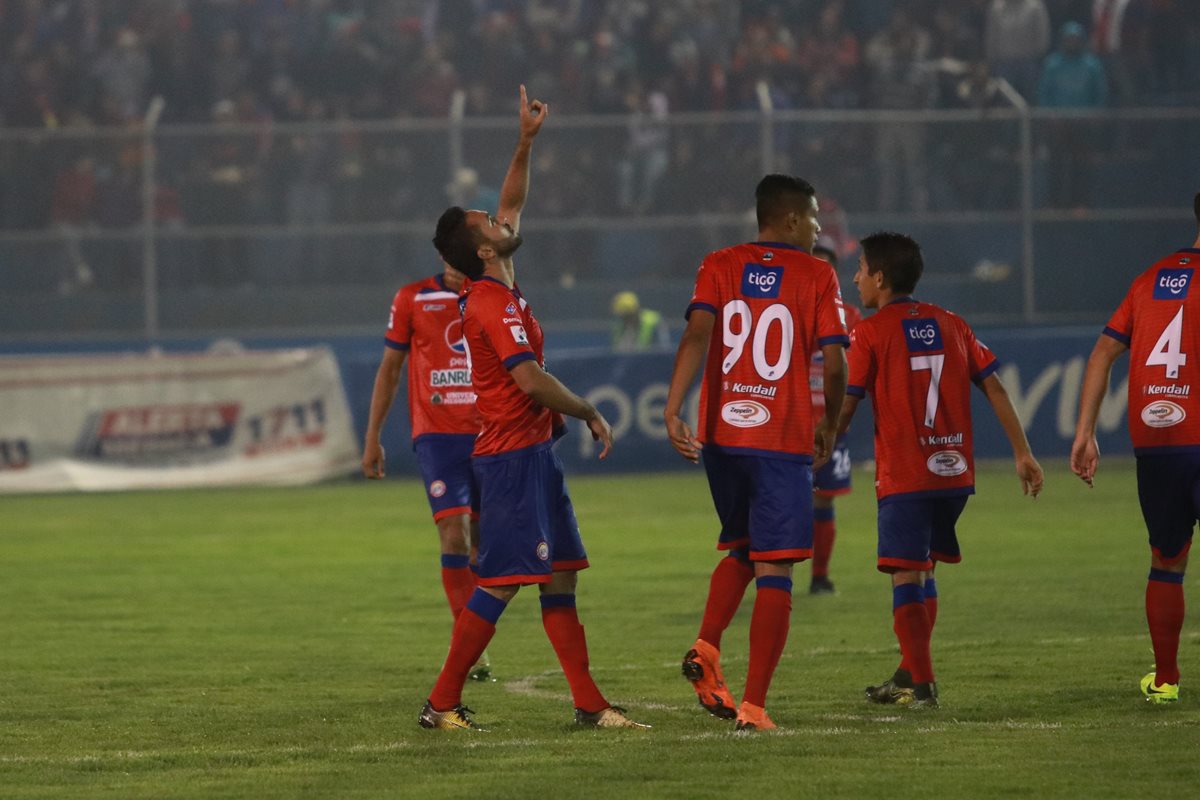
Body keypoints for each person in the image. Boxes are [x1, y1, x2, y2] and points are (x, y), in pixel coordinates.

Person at [418, 85, 647, 731]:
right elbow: (528, 379)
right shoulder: (491, 302)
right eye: (488, 221)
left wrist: (524, 142)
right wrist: (588, 410)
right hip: (512, 459)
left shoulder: (500, 278)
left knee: (562, 578)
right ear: (485, 249)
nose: (500, 215)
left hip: (533, 457)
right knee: (502, 582)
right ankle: (440, 703)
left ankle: (589, 705)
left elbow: (514, 199)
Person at [664, 174, 850, 731]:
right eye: (815, 217)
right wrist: (832, 424)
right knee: (777, 567)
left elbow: (696, 334)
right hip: (779, 438)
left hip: (722, 436)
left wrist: (674, 409)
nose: (819, 227)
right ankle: (754, 707)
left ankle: (707, 648)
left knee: (743, 548)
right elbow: (837, 363)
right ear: (791, 220)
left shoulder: (717, 263)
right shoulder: (817, 272)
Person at [835, 231, 1043, 709]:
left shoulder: (869, 332)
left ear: (881, 278)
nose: (856, 277)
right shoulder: (953, 323)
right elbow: (995, 388)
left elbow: (849, 402)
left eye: (862, 268)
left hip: (906, 475)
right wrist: (1023, 452)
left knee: (905, 575)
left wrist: (825, 440)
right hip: (952, 474)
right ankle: (908, 671)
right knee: (924, 571)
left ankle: (922, 685)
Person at [1070, 193, 1200, 704]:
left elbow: (1103, 352)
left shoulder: (1150, 280)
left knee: (1166, 560)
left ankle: (1166, 680)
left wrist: (1086, 431)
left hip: (1159, 444)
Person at [361, 257, 493, 682]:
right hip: (437, 436)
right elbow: (391, 369)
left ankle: (471, 638)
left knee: (480, 548)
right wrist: (372, 436)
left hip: (490, 434)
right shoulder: (414, 297)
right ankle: (469, 647)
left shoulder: (492, 294)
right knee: (454, 533)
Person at [808, 244, 864, 595]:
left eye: (826, 269)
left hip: (830, 420)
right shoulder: (786, 306)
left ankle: (820, 576)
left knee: (824, 498)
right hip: (788, 420)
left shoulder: (850, 315)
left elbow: (854, 367)